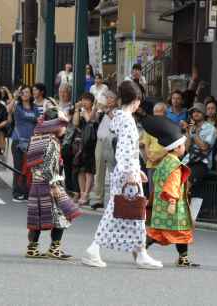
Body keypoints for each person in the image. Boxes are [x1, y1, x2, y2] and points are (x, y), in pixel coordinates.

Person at [82, 80, 163, 269]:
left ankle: (139, 252)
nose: (139, 104)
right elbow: (127, 150)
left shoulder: (119, 117)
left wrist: (135, 171)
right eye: (138, 101)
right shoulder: (127, 120)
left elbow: (125, 150)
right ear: (135, 100)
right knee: (126, 212)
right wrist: (132, 172)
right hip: (127, 173)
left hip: (125, 172)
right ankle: (98, 250)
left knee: (129, 213)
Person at [142, 116, 200, 267]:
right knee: (181, 232)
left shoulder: (164, 162)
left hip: (161, 204)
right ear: (176, 148)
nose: (184, 147)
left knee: (158, 232)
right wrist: (173, 201)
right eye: (182, 145)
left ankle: (141, 247)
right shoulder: (175, 165)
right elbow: (172, 185)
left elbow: (158, 181)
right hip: (173, 206)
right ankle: (183, 258)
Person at [25, 108, 82, 260]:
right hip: (50, 184)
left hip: (37, 184)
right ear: (54, 125)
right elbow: (48, 166)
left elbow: (34, 165)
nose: (64, 128)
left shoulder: (37, 138)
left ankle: (32, 249)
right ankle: (54, 249)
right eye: (62, 124)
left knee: (37, 218)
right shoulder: (52, 142)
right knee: (63, 215)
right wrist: (54, 185)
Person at [10, 85, 39, 202]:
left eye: (27, 92)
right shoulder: (17, 106)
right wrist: (15, 96)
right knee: (18, 167)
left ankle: (27, 192)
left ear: (31, 95)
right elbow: (8, 109)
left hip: (31, 141)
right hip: (18, 140)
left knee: (29, 168)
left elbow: (38, 121)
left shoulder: (35, 108)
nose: (25, 94)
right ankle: (17, 192)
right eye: (23, 92)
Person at [90, 91, 118, 210]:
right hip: (100, 141)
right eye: (107, 98)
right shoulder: (103, 111)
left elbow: (116, 121)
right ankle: (98, 198)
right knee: (99, 170)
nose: (108, 100)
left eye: (111, 97)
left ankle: (114, 198)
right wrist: (95, 108)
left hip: (112, 142)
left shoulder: (119, 111)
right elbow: (91, 120)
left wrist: (106, 110)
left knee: (113, 170)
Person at [182, 102, 217, 194]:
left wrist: (194, 133)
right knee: (176, 177)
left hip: (202, 162)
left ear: (204, 114)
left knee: (188, 182)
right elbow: (186, 148)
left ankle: (184, 203)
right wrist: (187, 131)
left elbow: (204, 147)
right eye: (193, 112)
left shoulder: (211, 128)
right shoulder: (191, 127)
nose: (195, 114)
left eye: (199, 112)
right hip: (188, 160)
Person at [73, 92, 99, 206]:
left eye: (87, 100)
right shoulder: (81, 111)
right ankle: (82, 191)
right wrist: (77, 110)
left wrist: (91, 110)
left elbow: (90, 120)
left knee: (89, 171)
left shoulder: (96, 113)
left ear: (92, 102)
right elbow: (75, 123)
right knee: (80, 170)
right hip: (81, 144)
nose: (84, 102)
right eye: (83, 100)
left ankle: (86, 194)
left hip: (91, 145)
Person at [140, 103, 168, 193]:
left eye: (160, 111)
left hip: (165, 162)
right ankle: (152, 207)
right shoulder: (149, 127)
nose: (158, 114)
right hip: (151, 162)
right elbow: (146, 144)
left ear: (165, 113)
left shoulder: (169, 127)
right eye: (156, 112)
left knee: (164, 190)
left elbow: (170, 146)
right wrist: (150, 157)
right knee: (152, 190)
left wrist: (159, 156)